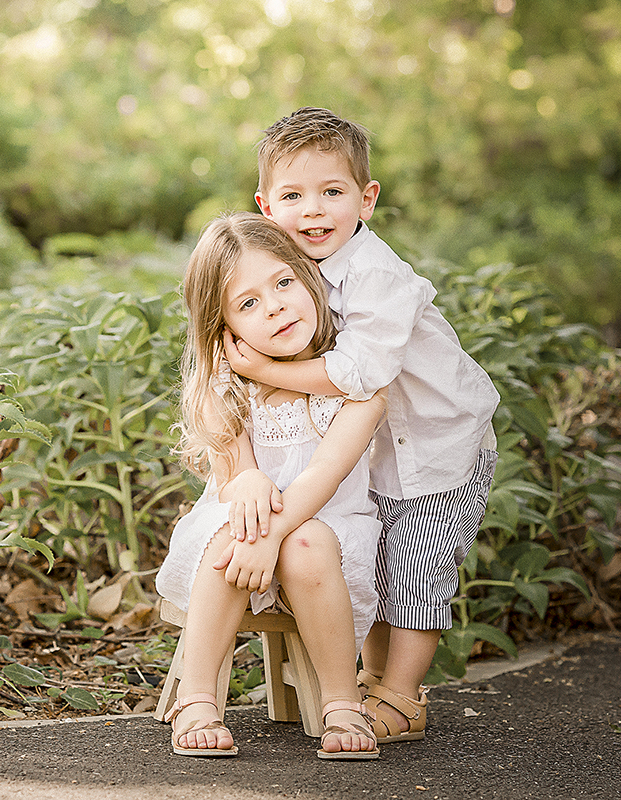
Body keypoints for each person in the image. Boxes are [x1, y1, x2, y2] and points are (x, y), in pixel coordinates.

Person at [224, 107, 500, 743]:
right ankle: (376, 687)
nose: (313, 211)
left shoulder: (375, 273)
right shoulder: (292, 274)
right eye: (293, 195)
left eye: (332, 192)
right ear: (266, 207)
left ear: (366, 199)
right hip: (375, 448)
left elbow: (362, 371)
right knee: (379, 563)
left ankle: (402, 696)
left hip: (437, 447)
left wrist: (266, 369)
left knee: (415, 574)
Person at [155, 212, 385, 760]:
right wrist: (250, 479)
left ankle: (341, 698)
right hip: (238, 527)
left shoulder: (357, 387)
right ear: (225, 329)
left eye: (283, 282)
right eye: (248, 303)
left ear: (310, 277)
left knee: (303, 543)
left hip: (326, 532)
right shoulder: (224, 384)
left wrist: (272, 533)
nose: (276, 305)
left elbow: (323, 479)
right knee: (233, 534)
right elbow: (232, 473)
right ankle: (197, 697)